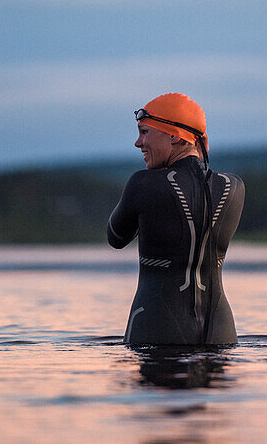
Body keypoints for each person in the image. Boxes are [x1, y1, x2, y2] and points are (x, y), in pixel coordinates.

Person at [107, 93, 245, 346]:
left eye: (145, 132)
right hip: (220, 333)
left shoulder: (143, 183)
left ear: (174, 135)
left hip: (156, 329)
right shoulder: (233, 186)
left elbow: (116, 236)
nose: (138, 143)